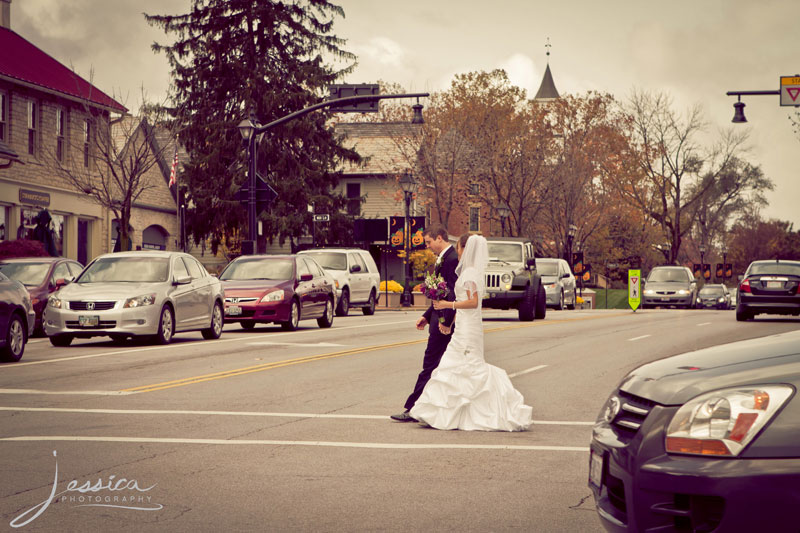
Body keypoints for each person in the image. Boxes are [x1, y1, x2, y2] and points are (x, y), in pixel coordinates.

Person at [410, 234, 533, 431]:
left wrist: (446, 304)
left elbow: (473, 302)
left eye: (458, 248)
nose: (457, 251)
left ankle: (457, 411)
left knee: (466, 366)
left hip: (469, 329)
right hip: (465, 326)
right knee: (456, 365)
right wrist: (451, 324)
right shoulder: (470, 272)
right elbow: (465, 306)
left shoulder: (469, 274)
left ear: (465, 249)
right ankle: (448, 412)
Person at [391, 223, 459, 422]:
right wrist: (428, 315)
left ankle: (413, 409)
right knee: (438, 366)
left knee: (430, 365)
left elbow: (452, 293)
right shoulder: (444, 258)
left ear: (439, 238)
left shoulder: (452, 260)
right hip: (438, 318)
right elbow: (441, 294)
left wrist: (445, 321)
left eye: (429, 242)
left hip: (444, 323)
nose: (428, 246)